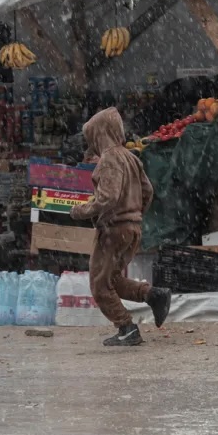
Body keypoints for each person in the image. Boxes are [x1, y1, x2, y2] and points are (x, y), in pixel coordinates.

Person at [69, 107, 171, 346]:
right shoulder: (131, 157)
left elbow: (108, 198)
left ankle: (127, 328)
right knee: (111, 280)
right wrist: (135, 215)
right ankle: (153, 295)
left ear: (99, 135)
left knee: (99, 284)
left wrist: (80, 211)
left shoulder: (109, 159)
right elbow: (148, 191)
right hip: (132, 229)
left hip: (113, 230)